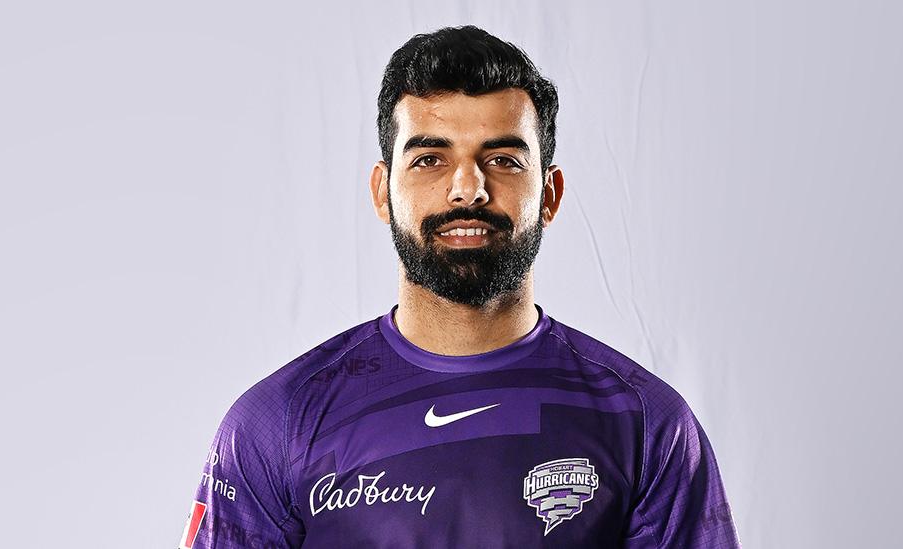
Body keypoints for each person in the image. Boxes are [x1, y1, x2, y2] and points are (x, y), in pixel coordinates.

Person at [178, 24, 741, 549]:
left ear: (549, 194)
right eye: (429, 158)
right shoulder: (276, 423)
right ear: (382, 192)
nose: (468, 188)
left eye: (502, 159)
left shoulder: (647, 425)